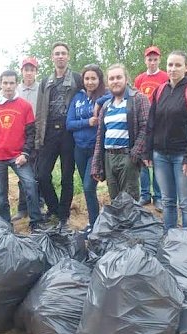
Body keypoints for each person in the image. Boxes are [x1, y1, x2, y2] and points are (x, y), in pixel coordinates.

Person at [145, 50, 187, 231]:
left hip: (183, 157)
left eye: (178, 65)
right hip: (160, 156)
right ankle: (170, 241)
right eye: (170, 65)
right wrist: (148, 152)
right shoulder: (160, 90)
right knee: (168, 201)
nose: (173, 69)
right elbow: (151, 124)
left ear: (186, 68)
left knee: (186, 203)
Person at [0, 70, 45, 229]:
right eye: (5, 83)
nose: (8, 86)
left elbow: (31, 133)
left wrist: (25, 153)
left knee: (30, 185)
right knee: (1, 194)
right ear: (0, 84)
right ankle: (5, 224)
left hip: (18, 156)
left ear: (17, 84)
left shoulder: (25, 106)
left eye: (11, 83)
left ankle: (35, 221)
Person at [35, 42, 83, 229]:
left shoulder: (77, 79)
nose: (60, 56)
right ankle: (53, 208)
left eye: (63, 53)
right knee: (42, 174)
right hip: (49, 132)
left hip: (68, 133)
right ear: (52, 57)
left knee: (66, 176)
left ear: (68, 57)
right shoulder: (46, 81)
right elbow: (40, 109)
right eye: (57, 53)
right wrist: (39, 136)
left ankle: (64, 215)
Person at [91, 64, 150, 201]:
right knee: (115, 201)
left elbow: (146, 128)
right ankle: (118, 223)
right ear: (107, 82)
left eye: (119, 77)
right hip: (109, 157)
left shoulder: (138, 99)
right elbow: (100, 137)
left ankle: (130, 223)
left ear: (126, 79)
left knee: (129, 202)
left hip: (127, 156)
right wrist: (96, 164)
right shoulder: (106, 106)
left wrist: (134, 154)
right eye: (111, 78)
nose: (115, 81)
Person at [66, 64, 106, 234]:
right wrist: (87, 122)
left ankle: (94, 224)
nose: (90, 82)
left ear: (99, 80)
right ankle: (94, 221)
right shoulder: (77, 98)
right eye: (87, 79)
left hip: (96, 150)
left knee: (89, 187)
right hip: (79, 149)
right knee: (87, 187)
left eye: (93, 78)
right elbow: (69, 124)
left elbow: (117, 94)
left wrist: (99, 102)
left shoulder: (105, 96)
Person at [134, 46, 168, 211]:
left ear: (159, 60)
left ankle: (159, 196)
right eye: (149, 59)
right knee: (142, 160)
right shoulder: (140, 79)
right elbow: (135, 99)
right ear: (145, 60)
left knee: (157, 160)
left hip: (160, 123)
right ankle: (145, 194)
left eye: (155, 59)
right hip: (143, 125)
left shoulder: (165, 77)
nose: (152, 62)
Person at [13, 57, 42, 221]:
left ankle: (38, 204)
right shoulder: (15, 90)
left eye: (32, 69)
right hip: (21, 139)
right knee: (23, 175)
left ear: (36, 72)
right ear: (22, 71)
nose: (29, 72)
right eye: (26, 69)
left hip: (38, 137)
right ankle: (22, 208)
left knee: (38, 174)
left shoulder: (42, 89)